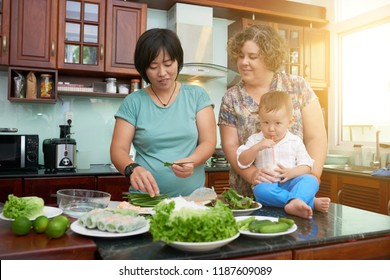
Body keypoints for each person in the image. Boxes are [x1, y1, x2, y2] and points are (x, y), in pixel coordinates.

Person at [218, 24, 330, 214]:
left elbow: (316, 138)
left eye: (252, 57)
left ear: (269, 58)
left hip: (295, 184)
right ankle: (296, 201)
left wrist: (311, 179)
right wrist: (253, 175)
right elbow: (231, 146)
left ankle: (299, 200)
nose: (244, 62)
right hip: (248, 198)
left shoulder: (297, 86)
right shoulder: (231, 97)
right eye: (240, 55)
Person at [110, 28, 216, 198]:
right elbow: (118, 149)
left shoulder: (197, 96)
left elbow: (208, 142)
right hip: (146, 199)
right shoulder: (133, 102)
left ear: (178, 61)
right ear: (144, 68)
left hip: (192, 200)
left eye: (168, 64)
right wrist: (131, 168)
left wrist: (193, 161)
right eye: (153, 66)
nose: (162, 73)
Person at [237, 91, 319, 219]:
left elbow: (307, 166)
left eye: (277, 123)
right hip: (268, 185)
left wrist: (291, 173)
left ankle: (296, 201)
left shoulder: (295, 141)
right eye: (266, 122)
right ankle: (306, 202)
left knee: (311, 180)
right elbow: (242, 161)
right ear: (260, 120)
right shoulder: (255, 140)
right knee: (260, 192)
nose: (271, 129)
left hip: (292, 182)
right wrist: (257, 148)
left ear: (290, 122)